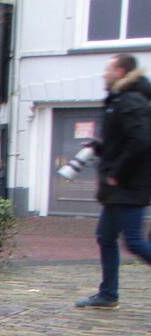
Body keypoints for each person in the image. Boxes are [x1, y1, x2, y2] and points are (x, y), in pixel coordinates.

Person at [75, 53, 151, 308]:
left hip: (128, 186)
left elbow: (140, 141)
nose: (104, 74)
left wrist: (118, 172)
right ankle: (108, 295)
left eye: (108, 70)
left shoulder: (130, 101)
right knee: (106, 237)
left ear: (120, 72)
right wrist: (100, 146)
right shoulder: (120, 100)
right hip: (118, 187)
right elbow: (123, 140)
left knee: (135, 242)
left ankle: (108, 294)